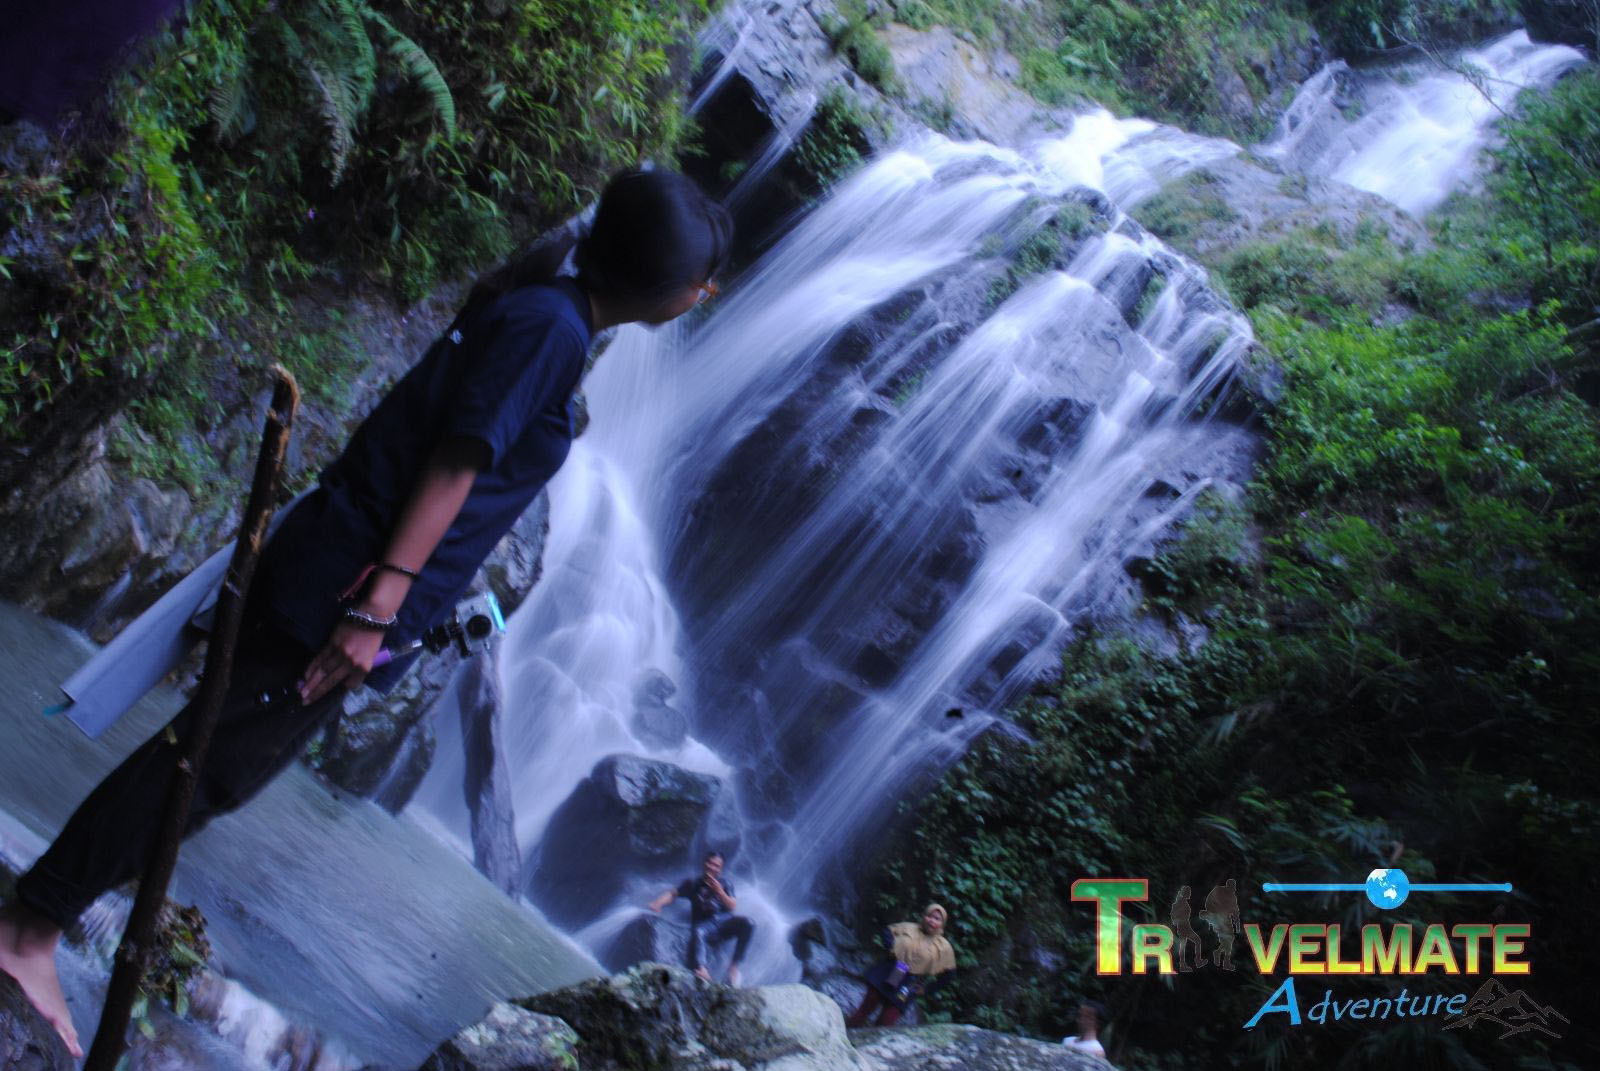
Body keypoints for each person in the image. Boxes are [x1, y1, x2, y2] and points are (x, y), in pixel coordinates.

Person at [0, 167, 734, 1059]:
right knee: (198, 766)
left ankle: (38, 913)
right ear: (668, 287)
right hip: (346, 584)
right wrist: (377, 606)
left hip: (348, 576)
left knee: (213, 767)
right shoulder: (548, 328)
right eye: (705, 282)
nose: (707, 295)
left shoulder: (554, 313)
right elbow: (456, 463)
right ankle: (28, 929)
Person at [648, 851, 754, 985]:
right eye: (709, 863)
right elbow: (673, 894)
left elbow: (732, 906)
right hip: (704, 925)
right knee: (698, 931)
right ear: (704, 863)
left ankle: (733, 967)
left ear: (720, 869)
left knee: (749, 923)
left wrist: (720, 892)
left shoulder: (726, 884)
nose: (712, 867)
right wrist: (658, 904)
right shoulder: (693, 884)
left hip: (724, 923)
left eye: (716, 866)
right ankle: (702, 969)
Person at [846, 903, 957, 1027]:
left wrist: (926, 990)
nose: (931, 921)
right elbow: (887, 932)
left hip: (909, 984)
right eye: (929, 916)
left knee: (887, 1020)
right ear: (924, 916)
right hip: (889, 972)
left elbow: (949, 974)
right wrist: (891, 948)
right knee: (864, 1011)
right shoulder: (908, 928)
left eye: (937, 919)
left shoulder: (943, 947)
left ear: (942, 924)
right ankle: (846, 1036)